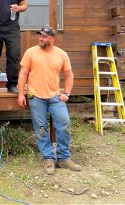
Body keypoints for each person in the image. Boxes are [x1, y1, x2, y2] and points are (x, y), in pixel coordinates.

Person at [17, 26, 81, 175]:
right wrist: (21, 93)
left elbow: (69, 75)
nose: (40, 39)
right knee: (41, 128)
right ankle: (48, 158)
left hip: (55, 96)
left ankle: (64, 157)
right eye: (40, 36)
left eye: (44, 36)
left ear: (52, 38)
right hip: (36, 96)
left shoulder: (61, 54)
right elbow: (23, 74)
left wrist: (67, 93)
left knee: (64, 124)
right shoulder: (30, 52)